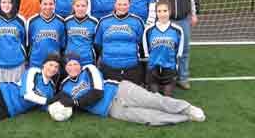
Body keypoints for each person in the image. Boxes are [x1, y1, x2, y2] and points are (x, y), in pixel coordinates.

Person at [54, 53, 205, 126]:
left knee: (154, 100)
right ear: (65, 68)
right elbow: (64, 102)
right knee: (148, 118)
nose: (73, 67)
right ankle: (184, 117)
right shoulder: (64, 86)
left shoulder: (89, 69)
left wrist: (74, 101)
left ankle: (187, 108)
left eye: (75, 64)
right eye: (69, 65)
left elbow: (97, 93)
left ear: (80, 64)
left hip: (120, 90)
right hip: (111, 110)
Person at [152, 0, 199, 90]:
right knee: (165, 49)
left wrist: (194, 14)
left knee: (184, 49)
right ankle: (164, 78)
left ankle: (183, 77)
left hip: (183, 19)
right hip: (165, 20)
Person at [94, 0, 145, 85]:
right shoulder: (104, 21)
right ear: (114, 4)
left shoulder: (137, 21)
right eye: (119, 4)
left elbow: (142, 44)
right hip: (109, 68)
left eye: (125, 4)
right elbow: (98, 44)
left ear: (130, 4)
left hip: (131, 68)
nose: (122, 7)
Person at [143, 0, 183, 96]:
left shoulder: (177, 30)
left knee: (167, 97)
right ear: (156, 13)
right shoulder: (149, 30)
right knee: (155, 97)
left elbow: (178, 52)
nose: (162, 14)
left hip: (169, 68)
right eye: (159, 11)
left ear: (170, 12)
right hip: (153, 68)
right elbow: (147, 51)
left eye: (165, 11)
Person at [0, 0, 27, 84]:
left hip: (17, 66)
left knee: (15, 96)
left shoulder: (21, 21)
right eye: (3, 2)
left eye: (9, 2)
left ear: (14, 3)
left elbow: (24, 43)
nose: (6, 5)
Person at [27, 0, 66, 68]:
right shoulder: (32, 21)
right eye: (45, 4)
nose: (48, 7)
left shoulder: (61, 22)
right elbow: (29, 44)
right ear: (40, 5)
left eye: (51, 4)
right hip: (36, 63)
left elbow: (62, 45)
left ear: (55, 5)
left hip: (53, 65)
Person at [64, 0, 98, 66]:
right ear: (73, 6)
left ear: (87, 6)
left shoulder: (94, 22)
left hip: (87, 60)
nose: (80, 8)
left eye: (83, 6)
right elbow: (64, 41)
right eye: (78, 6)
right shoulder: (67, 21)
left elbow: (97, 44)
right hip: (70, 61)